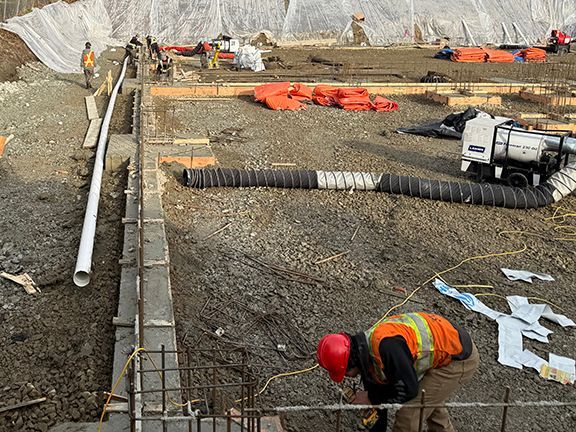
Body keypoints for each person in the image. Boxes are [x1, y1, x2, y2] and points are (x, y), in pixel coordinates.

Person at [317, 312, 479, 432]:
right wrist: (373, 400)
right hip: (446, 344)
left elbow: (409, 390)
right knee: (429, 399)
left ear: (350, 363)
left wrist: (371, 397)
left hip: (458, 357)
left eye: (344, 372)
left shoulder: (386, 347)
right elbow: (380, 400)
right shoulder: (364, 351)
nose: (346, 377)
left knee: (410, 412)